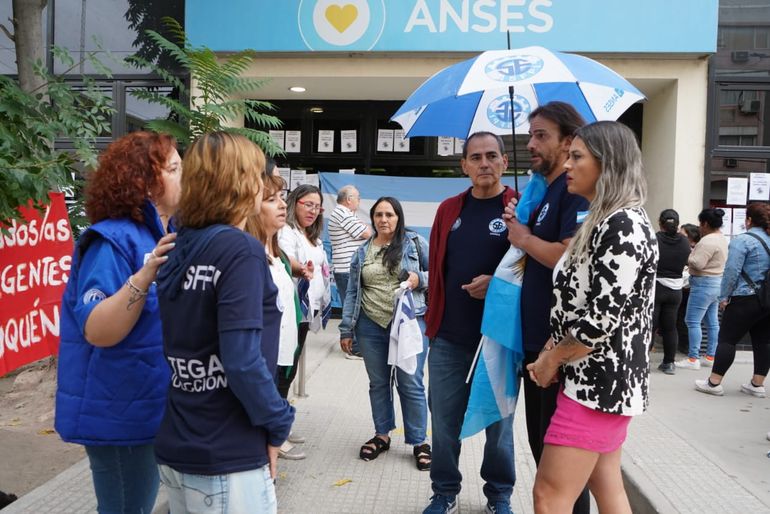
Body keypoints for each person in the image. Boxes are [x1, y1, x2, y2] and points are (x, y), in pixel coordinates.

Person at [154, 132, 295, 513]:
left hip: (181, 439)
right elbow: (242, 361)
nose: (262, 185)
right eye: (257, 175)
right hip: (226, 449)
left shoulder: (181, 242)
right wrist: (279, 420)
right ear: (242, 182)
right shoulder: (238, 248)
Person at [527, 120, 657, 513]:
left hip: (598, 385)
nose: (567, 165)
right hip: (595, 381)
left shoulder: (623, 224)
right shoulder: (605, 220)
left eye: (577, 157)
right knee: (607, 487)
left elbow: (600, 319)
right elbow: (579, 304)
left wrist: (551, 358)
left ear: (608, 163)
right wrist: (552, 348)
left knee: (549, 495)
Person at [55, 131, 180, 513]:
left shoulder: (162, 233)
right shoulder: (112, 240)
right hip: (121, 411)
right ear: (145, 182)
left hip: (147, 403)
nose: (185, 178)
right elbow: (98, 328)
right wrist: (143, 277)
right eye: (174, 169)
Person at [503, 101, 591, 514]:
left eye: (541, 136)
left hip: (558, 351)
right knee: (543, 455)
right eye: (530, 135)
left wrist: (523, 238)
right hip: (537, 345)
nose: (530, 144)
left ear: (569, 141)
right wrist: (519, 225)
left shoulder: (573, 193)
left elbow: (566, 256)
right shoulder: (544, 192)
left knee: (559, 474)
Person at [423, 131, 517, 514]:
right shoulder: (449, 210)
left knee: (500, 427)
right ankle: (444, 491)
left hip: (499, 339)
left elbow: (535, 270)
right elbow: (437, 268)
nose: (484, 163)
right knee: (444, 423)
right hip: (449, 337)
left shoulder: (520, 208)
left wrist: (497, 284)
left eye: (492, 156)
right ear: (464, 165)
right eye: (475, 157)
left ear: (505, 162)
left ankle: (499, 495)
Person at [338, 196, 431, 470]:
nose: (383, 219)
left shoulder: (414, 243)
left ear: (398, 217)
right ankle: (382, 435)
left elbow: (438, 273)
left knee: (410, 382)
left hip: (408, 324)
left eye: (389, 214)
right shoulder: (362, 251)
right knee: (378, 383)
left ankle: (419, 441)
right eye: (378, 215)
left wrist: (419, 279)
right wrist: (346, 329)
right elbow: (353, 292)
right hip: (370, 325)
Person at [245, 173, 308, 460]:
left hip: (280, 348)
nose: (283, 205)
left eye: (282, 198)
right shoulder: (248, 254)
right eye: (271, 200)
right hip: (260, 357)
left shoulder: (275, 251)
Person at [695, 202, 770, 397]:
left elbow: (731, 271)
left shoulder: (743, 240)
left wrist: (724, 297)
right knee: (763, 341)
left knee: (727, 340)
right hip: (766, 300)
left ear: (749, 220)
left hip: (745, 297)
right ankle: (757, 384)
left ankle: (714, 383)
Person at [278, 184, 331, 403]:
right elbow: (286, 258)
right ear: (294, 203)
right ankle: (277, 416)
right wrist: (301, 269)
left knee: (291, 365)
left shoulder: (312, 236)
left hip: (306, 311)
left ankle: (280, 413)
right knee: (285, 366)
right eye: (308, 204)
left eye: (317, 207)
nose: (313, 211)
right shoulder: (287, 231)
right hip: (292, 309)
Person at [675, 208, 728, 370]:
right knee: (712, 322)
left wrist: (688, 256)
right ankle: (710, 356)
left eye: (700, 224)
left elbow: (698, 263)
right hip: (717, 282)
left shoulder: (707, 241)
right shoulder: (722, 238)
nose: (699, 227)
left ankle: (693, 358)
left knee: (692, 321)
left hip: (703, 284)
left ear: (705, 223)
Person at [329, 185, 372, 359]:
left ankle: (354, 345)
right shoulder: (343, 213)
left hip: (348, 268)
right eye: (357, 197)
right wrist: (364, 227)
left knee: (354, 307)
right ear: (348, 199)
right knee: (353, 308)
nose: (359, 200)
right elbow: (367, 233)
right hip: (347, 268)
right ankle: (353, 348)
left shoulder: (345, 214)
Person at [653, 209, 692, 375]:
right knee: (670, 327)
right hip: (676, 290)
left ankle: (642, 362)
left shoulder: (654, 238)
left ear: (660, 222)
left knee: (650, 326)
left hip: (656, 287)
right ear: (677, 224)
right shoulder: (684, 241)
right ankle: (669, 363)